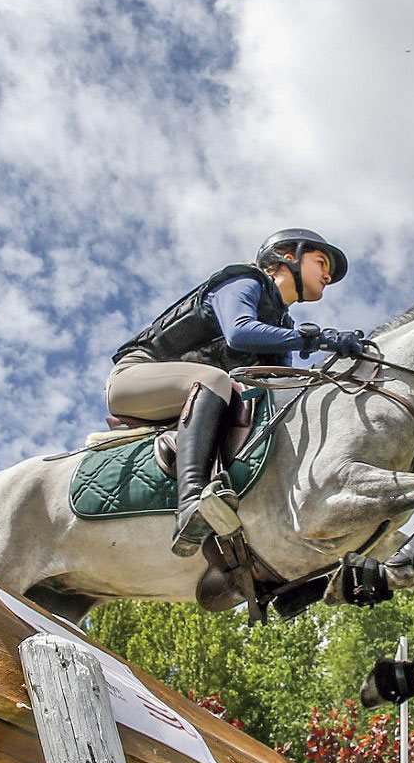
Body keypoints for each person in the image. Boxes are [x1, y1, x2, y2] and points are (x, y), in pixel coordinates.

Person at [108, 228, 366, 557]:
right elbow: (239, 332)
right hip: (135, 378)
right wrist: (318, 339)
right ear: (288, 257)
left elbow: (280, 386)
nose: (328, 275)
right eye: (320, 262)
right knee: (213, 379)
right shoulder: (245, 281)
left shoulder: (282, 325)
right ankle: (191, 505)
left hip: (193, 395)